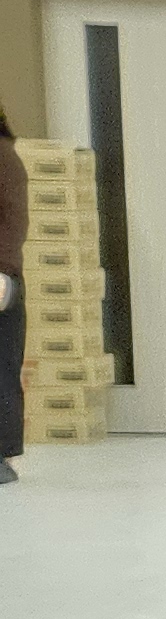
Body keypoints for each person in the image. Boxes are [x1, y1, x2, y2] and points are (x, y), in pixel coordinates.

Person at [0, 103, 25, 485]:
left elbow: (13, 219)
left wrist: (3, 270)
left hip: (1, 274)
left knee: (1, 369)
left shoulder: (4, 157)